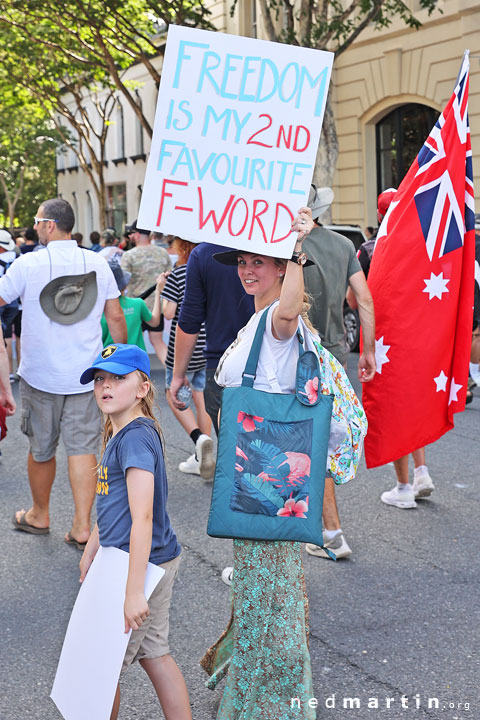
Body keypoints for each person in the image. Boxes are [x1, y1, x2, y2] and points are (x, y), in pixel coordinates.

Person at [201, 207, 318, 719]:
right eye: (243, 262)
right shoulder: (257, 319)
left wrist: (295, 248)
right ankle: (258, 696)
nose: (247, 271)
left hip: (264, 490)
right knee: (264, 597)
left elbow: (288, 313)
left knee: (270, 602)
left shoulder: (276, 322)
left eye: (258, 263)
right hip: (258, 486)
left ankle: (273, 706)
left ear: (280, 270)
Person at [0, 197, 127, 545]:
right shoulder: (98, 264)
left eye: (38, 221)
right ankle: (82, 526)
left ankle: (39, 515)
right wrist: (123, 364)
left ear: (50, 224)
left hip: (40, 376)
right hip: (85, 375)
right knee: (83, 448)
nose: (36, 226)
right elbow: (115, 316)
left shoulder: (29, 264)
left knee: (41, 448)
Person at [78, 344, 191, 720]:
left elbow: (142, 516)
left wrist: (132, 591)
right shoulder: (121, 429)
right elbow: (112, 500)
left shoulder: (135, 439)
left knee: (101, 668)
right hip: (149, 558)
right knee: (155, 653)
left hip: (141, 565)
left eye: (117, 378)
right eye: (99, 379)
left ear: (143, 388)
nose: (105, 386)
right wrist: (93, 544)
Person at [302, 186, 376, 560]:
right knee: (323, 440)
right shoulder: (343, 246)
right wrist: (369, 349)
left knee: (310, 445)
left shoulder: (287, 246)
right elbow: (363, 298)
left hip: (297, 354)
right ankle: (322, 529)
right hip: (335, 352)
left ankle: (331, 533)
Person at [349, 187, 435, 508]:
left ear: (379, 213)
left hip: (381, 339)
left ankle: (402, 488)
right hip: (415, 337)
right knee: (412, 403)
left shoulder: (368, 250)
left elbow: (352, 298)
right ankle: (422, 471)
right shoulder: (421, 246)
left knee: (390, 407)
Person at [161, 237, 214, 478]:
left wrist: (162, 289)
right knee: (201, 395)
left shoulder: (178, 273)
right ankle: (205, 453)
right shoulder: (209, 267)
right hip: (207, 342)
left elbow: (169, 313)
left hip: (183, 344)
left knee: (174, 394)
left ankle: (198, 439)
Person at [121, 220, 171, 365]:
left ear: (137, 235)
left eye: (131, 233)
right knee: (158, 342)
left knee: (133, 342)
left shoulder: (129, 255)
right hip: (157, 305)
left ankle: (132, 374)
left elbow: (123, 282)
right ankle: (173, 374)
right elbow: (169, 277)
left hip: (135, 306)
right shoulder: (163, 253)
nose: (130, 236)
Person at [101, 258, 164, 351]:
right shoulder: (137, 304)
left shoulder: (98, 309)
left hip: (107, 360)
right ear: (125, 285)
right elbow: (154, 323)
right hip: (136, 359)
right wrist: (158, 291)